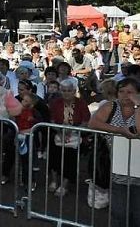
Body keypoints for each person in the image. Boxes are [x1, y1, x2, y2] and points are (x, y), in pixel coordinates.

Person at [88, 77, 140, 226]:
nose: (125, 95)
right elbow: (93, 123)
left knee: (137, 211)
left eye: (130, 92)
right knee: (119, 211)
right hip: (118, 166)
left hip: (138, 168)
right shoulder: (111, 106)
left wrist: (138, 106)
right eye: (121, 91)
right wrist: (119, 130)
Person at [48, 78, 90, 197]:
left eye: (69, 90)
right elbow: (51, 119)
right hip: (58, 132)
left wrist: (73, 131)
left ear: (74, 91)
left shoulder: (81, 103)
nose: (66, 93)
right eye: (64, 90)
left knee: (70, 161)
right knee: (54, 158)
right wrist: (60, 131)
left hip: (75, 133)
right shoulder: (56, 102)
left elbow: (86, 120)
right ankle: (54, 180)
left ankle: (64, 185)